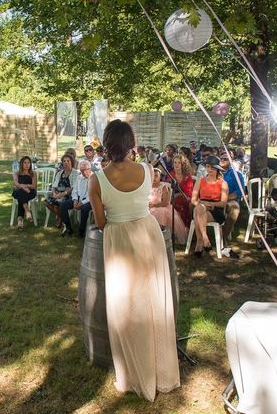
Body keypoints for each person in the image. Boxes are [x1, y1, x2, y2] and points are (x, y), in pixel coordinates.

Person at [88, 119, 180, 400]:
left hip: (119, 239)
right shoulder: (147, 169)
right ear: (131, 143)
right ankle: (158, 363)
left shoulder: (97, 179)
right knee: (153, 300)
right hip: (148, 234)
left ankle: (132, 369)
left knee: (126, 304)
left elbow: (101, 222)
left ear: (106, 144)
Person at [190, 155, 229, 256]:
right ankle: (205, 238)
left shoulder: (223, 183)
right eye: (208, 166)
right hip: (201, 207)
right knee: (199, 208)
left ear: (217, 169)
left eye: (212, 167)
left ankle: (200, 241)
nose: (210, 169)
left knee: (197, 211)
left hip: (216, 210)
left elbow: (223, 203)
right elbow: (193, 200)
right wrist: (202, 204)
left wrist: (211, 204)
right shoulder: (200, 181)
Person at [148, 168, 188, 244]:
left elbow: (166, 202)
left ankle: (161, 236)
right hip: (150, 207)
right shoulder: (148, 187)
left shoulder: (163, 187)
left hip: (161, 207)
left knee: (156, 213)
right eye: (152, 176)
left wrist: (154, 205)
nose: (154, 178)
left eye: (156, 176)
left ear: (160, 177)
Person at [220, 152, 245, 255]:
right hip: (214, 200)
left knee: (234, 209)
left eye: (225, 159)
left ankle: (224, 236)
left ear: (230, 161)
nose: (222, 160)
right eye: (220, 158)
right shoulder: (214, 173)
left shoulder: (236, 174)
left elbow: (240, 191)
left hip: (229, 200)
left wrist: (226, 198)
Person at [60, 159, 92, 237]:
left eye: (86, 170)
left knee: (84, 209)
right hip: (78, 198)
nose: (84, 172)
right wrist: (75, 200)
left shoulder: (94, 178)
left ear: (90, 169)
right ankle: (68, 228)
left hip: (90, 200)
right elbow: (75, 190)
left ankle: (81, 230)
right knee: (63, 205)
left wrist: (82, 202)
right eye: (82, 170)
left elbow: (92, 195)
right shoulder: (79, 177)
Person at [45, 154, 77, 228]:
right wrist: (54, 193)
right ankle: (60, 216)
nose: (66, 163)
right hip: (58, 193)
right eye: (64, 161)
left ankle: (59, 218)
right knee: (47, 202)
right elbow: (54, 185)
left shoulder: (75, 173)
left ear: (71, 162)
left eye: (68, 161)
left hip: (69, 195)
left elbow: (73, 188)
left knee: (56, 205)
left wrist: (62, 194)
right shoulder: (60, 173)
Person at [11, 156, 37, 230]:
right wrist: (23, 187)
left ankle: (20, 220)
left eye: (28, 163)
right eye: (25, 163)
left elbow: (34, 186)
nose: (27, 165)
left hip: (30, 192)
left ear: (30, 164)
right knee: (21, 193)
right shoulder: (16, 173)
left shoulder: (33, 173)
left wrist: (26, 186)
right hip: (19, 191)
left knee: (21, 196)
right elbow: (15, 183)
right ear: (21, 164)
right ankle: (27, 211)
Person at [170, 154, 195, 227]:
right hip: (171, 197)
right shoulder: (171, 174)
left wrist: (176, 195)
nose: (176, 165)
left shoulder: (187, 177)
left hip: (185, 198)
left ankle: (183, 227)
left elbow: (188, 193)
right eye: (175, 162)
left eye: (179, 163)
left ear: (183, 164)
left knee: (179, 201)